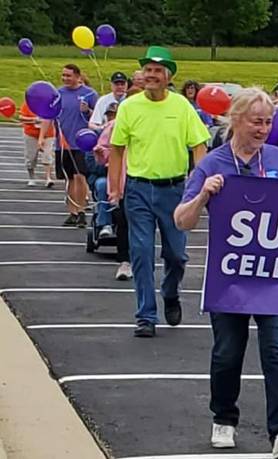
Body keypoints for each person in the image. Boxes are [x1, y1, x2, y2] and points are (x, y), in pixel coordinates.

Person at [174, 87, 278, 459]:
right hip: (230, 276)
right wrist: (203, 196)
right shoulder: (213, 163)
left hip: (275, 274)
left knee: (277, 349)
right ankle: (224, 417)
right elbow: (182, 220)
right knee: (228, 352)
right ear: (236, 119)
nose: (263, 129)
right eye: (256, 121)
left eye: (268, 122)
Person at [108, 46, 210, 338]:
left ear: (168, 77)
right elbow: (117, 150)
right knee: (140, 253)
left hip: (175, 189)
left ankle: (170, 291)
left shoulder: (181, 106)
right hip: (139, 188)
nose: (150, 75)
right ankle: (146, 315)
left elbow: (199, 146)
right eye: (147, 70)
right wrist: (115, 187)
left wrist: (199, 184)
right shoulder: (130, 106)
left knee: (176, 255)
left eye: (156, 71)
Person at [41, 64, 98, 228]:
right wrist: (42, 137)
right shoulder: (58, 94)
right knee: (69, 179)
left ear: (78, 76)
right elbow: (48, 116)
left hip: (82, 143)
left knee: (80, 177)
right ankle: (72, 212)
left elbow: (98, 116)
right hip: (63, 144)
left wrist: (88, 110)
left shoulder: (89, 93)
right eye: (63, 75)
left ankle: (81, 211)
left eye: (69, 75)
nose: (65, 78)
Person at [87, 102, 132, 281]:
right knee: (123, 220)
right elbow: (99, 154)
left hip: (143, 180)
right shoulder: (112, 127)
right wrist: (100, 154)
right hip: (118, 180)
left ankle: (138, 259)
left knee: (141, 224)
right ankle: (124, 259)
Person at [18, 101, 56, 187]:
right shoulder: (28, 103)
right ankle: (31, 178)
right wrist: (33, 120)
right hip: (30, 133)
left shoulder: (50, 104)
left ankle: (48, 178)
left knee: (47, 155)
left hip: (48, 134)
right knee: (30, 157)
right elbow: (21, 117)